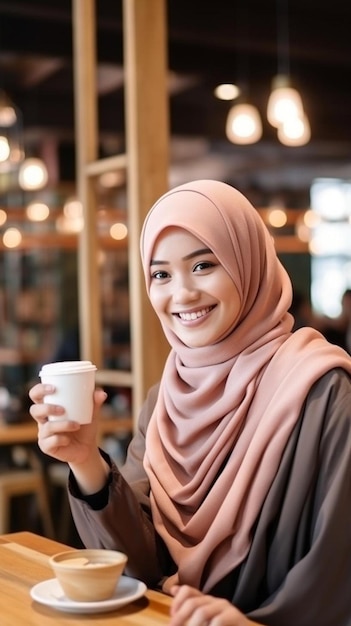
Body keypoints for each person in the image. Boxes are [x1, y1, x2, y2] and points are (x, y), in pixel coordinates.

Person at [29, 179, 351, 626]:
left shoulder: (323, 390)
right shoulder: (164, 401)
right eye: (161, 274)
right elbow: (140, 566)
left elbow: (338, 571)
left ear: (248, 264)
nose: (182, 294)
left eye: (203, 265)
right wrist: (86, 462)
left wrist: (255, 622)